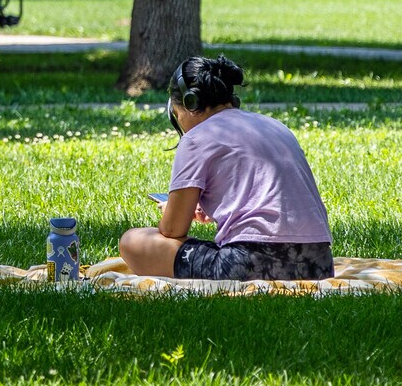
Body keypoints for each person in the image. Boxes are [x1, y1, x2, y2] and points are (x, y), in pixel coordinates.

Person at [120, 56, 333, 281]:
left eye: (176, 114)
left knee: (132, 241)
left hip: (248, 265)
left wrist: (170, 211)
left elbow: (172, 230)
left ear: (190, 103)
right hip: (319, 266)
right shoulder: (276, 126)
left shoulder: (195, 138)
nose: (179, 121)